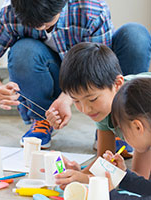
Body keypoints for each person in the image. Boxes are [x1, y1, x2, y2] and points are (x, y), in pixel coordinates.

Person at [0, 0, 151, 149]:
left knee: (136, 36)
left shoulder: (92, 10)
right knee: (23, 51)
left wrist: (68, 97)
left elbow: (99, 66)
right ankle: (41, 120)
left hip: (92, 72)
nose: (40, 27)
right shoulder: (8, 13)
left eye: (46, 22)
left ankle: (120, 122)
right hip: (53, 71)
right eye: (33, 24)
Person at [51, 42, 151, 189]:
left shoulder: (137, 105)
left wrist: (87, 180)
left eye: (92, 99)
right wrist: (78, 175)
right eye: (76, 100)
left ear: (117, 84)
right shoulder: (103, 107)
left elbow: (140, 181)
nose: (85, 109)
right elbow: (103, 157)